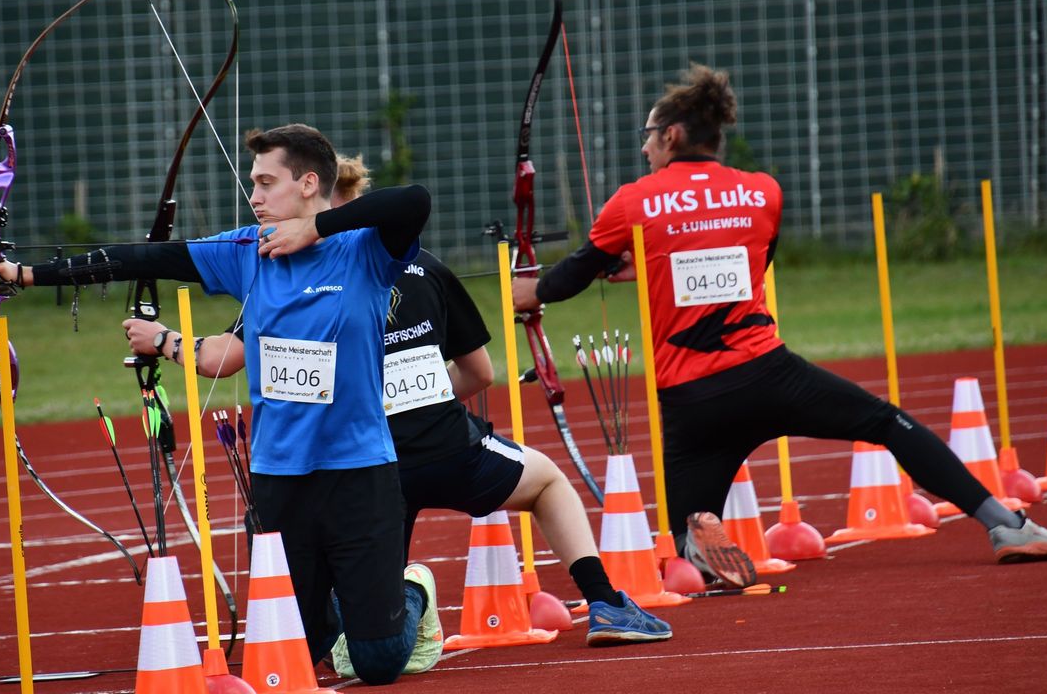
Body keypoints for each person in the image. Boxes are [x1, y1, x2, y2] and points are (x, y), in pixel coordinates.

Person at [511, 63, 1047, 586]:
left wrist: (526, 292)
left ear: (674, 137)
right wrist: (652, 267)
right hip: (768, 376)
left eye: (649, 134)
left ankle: (694, 544)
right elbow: (747, 262)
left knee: (683, 536)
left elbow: (570, 278)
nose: (644, 146)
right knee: (887, 423)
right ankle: (1007, 525)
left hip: (691, 400)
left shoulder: (633, 201)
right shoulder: (762, 192)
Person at [0, 124, 440, 685]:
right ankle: (363, 601)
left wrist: (313, 228)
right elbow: (145, 258)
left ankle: (410, 587)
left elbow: (413, 201)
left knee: (379, 663)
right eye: (253, 184)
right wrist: (28, 274)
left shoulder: (363, 249)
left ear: (309, 183)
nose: (255, 195)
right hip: (279, 476)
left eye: (268, 183)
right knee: (302, 646)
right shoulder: (249, 251)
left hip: (359, 471)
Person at [158, 154, 671, 657]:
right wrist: (423, 402)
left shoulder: (287, 278)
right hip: (440, 450)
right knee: (548, 481)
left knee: (348, 610)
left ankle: (371, 613)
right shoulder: (422, 266)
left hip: (357, 471)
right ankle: (604, 601)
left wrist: (166, 342)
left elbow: (225, 359)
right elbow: (480, 373)